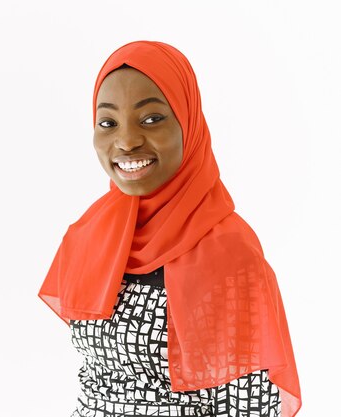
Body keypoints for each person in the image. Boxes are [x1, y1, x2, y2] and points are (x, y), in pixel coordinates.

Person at [37, 41, 302, 417]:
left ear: (188, 122)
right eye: (108, 122)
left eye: (151, 119)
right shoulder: (89, 235)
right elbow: (94, 377)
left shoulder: (228, 251)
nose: (126, 141)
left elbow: (250, 406)